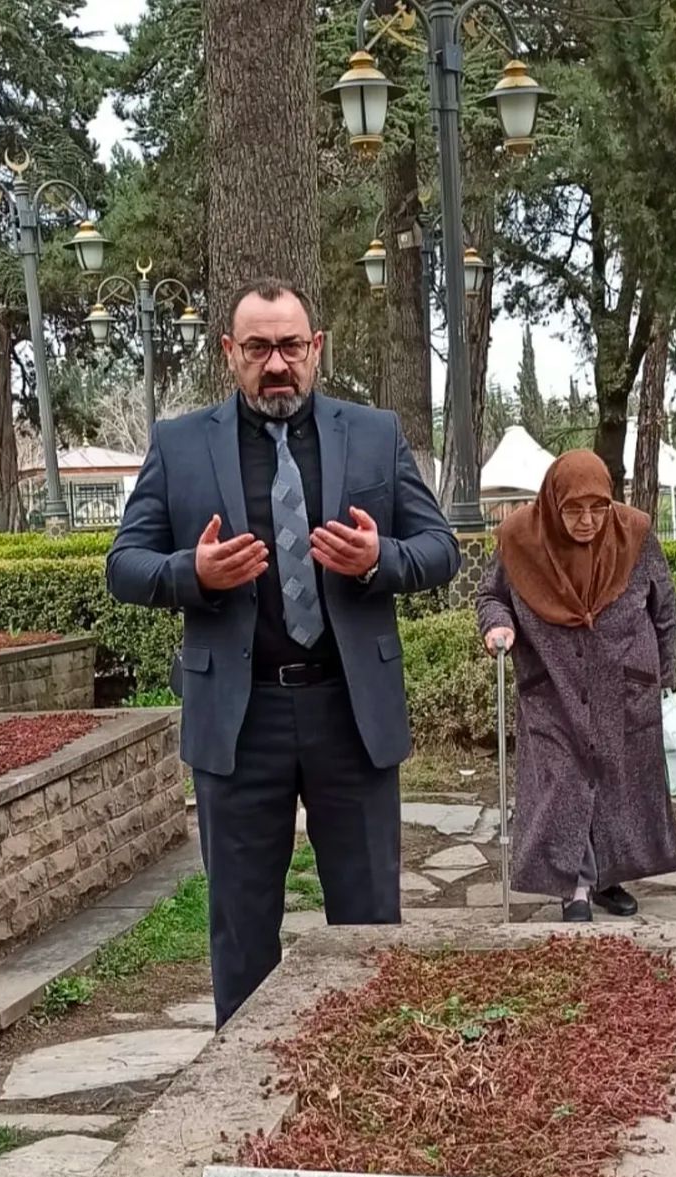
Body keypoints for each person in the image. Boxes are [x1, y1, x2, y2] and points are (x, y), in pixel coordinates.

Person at [107, 277, 460, 1024]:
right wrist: (192, 574)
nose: (276, 364)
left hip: (349, 712)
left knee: (368, 923)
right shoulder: (180, 444)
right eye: (259, 348)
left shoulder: (374, 434)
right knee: (241, 927)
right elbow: (124, 565)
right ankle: (242, 1078)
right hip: (240, 720)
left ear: (316, 348)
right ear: (229, 352)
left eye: (291, 346)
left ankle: (366, 1067)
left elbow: (439, 548)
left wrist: (379, 559)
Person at [476, 449, 676, 922]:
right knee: (563, 782)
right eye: (574, 509)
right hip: (552, 685)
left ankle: (607, 877)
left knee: (615, 781)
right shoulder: (519, 538)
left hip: (623, 683)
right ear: (553, 503)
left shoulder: (635, 533)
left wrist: (663, 677)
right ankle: (574, 886)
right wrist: (497, 624)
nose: (588, 521)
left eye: (598, 508)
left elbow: (665, 607)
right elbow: (491, 595)